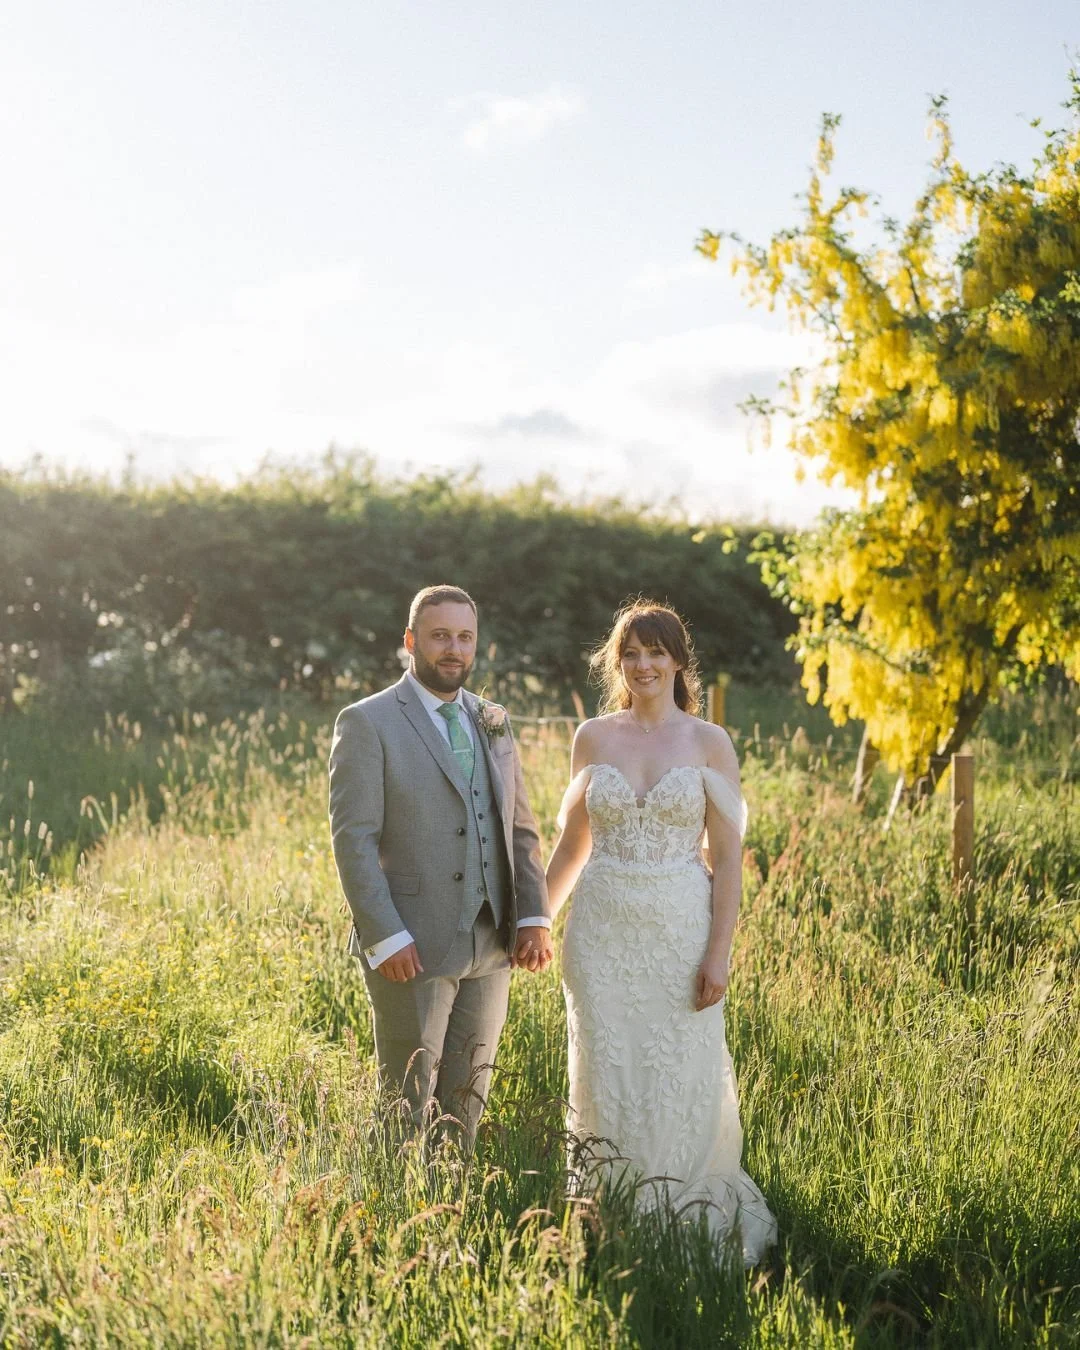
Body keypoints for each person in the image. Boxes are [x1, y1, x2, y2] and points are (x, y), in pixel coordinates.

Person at [545, 599, 776, 1263]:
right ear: (617, 662)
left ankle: (683, 1215)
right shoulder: (592, 738)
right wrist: (534, 923)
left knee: (680, 1072)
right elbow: (572, 846)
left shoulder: (710, 743)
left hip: (680, 932)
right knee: (606, 1072)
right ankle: (607, 1214)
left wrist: (718, 955)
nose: (643, 665)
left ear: (678, 660)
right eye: (631, 653)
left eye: (655, 652)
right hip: (601, 937)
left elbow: (727, 860)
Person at [329, 584, 553, 1148]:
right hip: (412, 945)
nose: (453, 649)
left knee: (466, 1105)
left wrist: (533, 918)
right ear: (410, 642)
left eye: (464, 637)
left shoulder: (493, 719)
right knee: (404, 1104)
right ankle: (393, 1216)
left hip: (493, 943)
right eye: (439, 637)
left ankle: (451, 1213)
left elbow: (519, 827)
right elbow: (353, 839)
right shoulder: (367, 722)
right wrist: (384, 935)